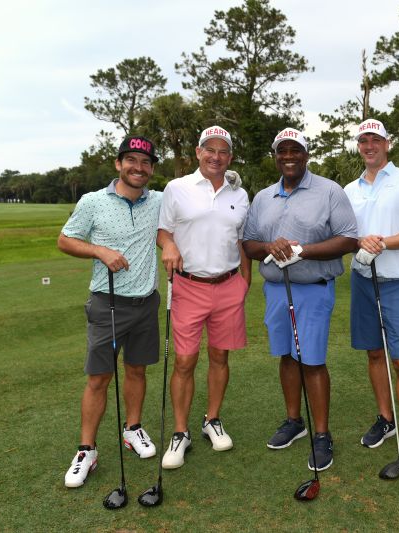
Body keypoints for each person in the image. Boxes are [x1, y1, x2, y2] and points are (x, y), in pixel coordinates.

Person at [242, 128, 357, 472]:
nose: (288, 156)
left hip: (313, 288)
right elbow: (249, 244)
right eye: (282, 151)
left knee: (312, 360)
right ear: (276, 156)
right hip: (276, 289)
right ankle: (295, 420)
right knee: (287, 356)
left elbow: (348, 239)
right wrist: (270, 247)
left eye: (295, 151)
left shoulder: (329, 191)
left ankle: (321, 434)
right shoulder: (263, 197)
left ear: (306, 155)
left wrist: (300, 250)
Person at [58, 135, 163, 488]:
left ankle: (132, 429)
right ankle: (86, 449)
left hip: (146, 302)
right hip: (108, 302)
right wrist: (100, 251)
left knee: (136, 370)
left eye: (145, 162)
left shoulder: (160, 201)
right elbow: (66, 239)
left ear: (151, 169)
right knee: (99, 377)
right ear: (118, 164)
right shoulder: (93, 201)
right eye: (131, 160)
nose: (138, 167)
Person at [157, 125, 251, 469]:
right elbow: (163, 230)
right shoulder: (176, 188)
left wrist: (245, 282)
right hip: (188, 285)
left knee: (220, 358)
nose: (216, 156)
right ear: (198, 153)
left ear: (230, 157)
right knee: (184, 361)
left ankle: (212, 419)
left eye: (223, 150)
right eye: (209, 149)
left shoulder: (239, 195)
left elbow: (241, 240)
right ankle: (180, 432)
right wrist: (168, 245)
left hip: (228, 285)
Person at [343, 119, 399, 472]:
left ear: (387, 144)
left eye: (375, 139)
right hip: (363, 279)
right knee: (374, 353)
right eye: (363, 140)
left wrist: (384, 242)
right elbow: (346, 235)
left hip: (398, 281)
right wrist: (358, 243)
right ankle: (386, 417)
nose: (369, 146)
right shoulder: (349, 189)